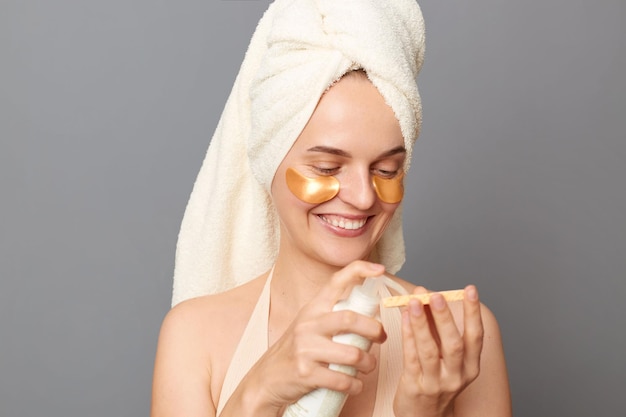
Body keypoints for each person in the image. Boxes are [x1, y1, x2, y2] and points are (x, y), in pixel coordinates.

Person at [151, 1, 512, 416]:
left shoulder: (463, 339)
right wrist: (260, 391)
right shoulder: (195, 338)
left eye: (386, 168)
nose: (362, 196)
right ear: (270, 160)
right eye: (326, 167)